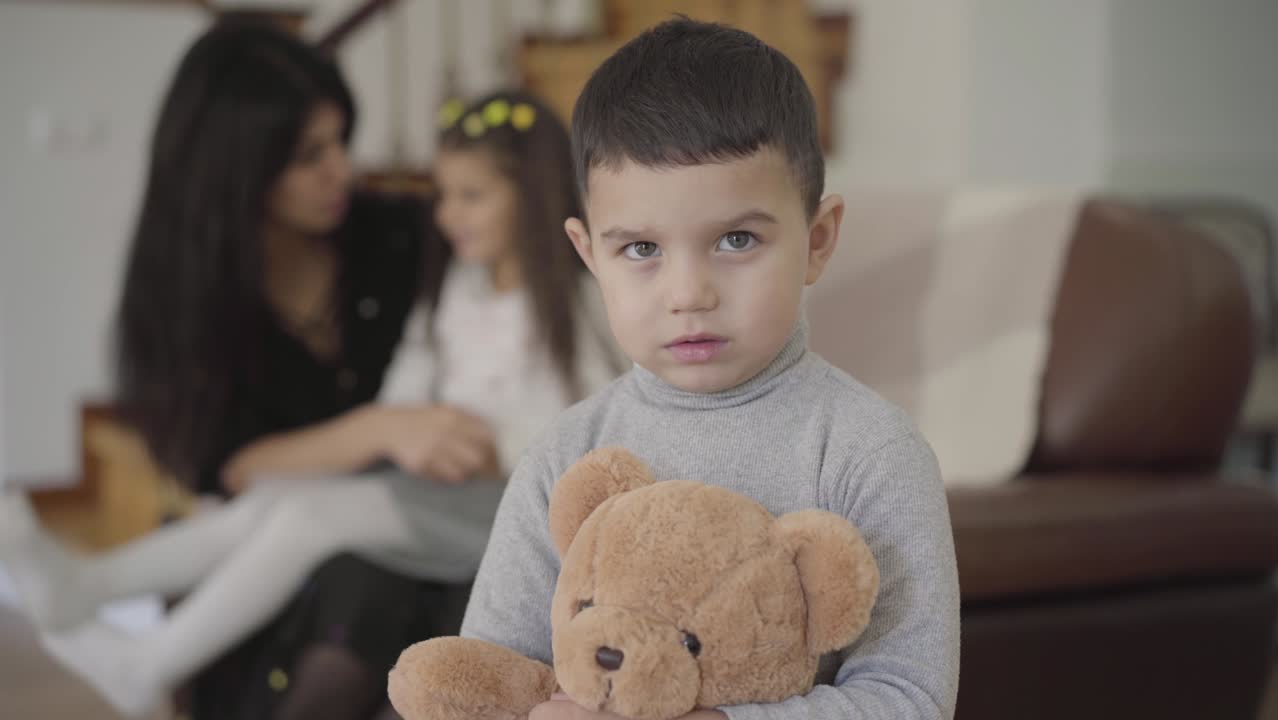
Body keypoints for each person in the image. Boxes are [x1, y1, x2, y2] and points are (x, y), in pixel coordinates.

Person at [0, 20, 617, 720]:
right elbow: (409, 374)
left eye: (469, 197)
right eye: (309, 155)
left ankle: (148, 662)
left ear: (531, 194)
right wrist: (399, 426)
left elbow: (592, 418)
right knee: (278, 502)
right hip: (428, 487)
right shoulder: (457, 284)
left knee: (307, 517)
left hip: (495, 506)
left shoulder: (572, 300)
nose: (443, 217)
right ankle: (91, 584)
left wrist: (480, 443)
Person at [457, 18, 960, 720]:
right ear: (590, 256)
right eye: (641, 250)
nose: (688, 293)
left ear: (817, 241)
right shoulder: (564, 455)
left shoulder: (871, 452)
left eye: (736, 239)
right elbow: (495, 668)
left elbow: (910, 698)